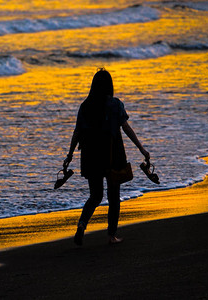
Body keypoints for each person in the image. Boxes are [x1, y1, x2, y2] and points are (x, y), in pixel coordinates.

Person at [63, 68, 150, 245]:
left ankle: (81, 225)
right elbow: (126, 128)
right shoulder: (115, 104)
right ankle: (111, 236)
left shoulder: (85, 106)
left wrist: (70, 155)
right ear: (110, 86)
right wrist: (141, 148)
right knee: (113, 196)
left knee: (95, 196)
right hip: (112, 154)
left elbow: (77, 132)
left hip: (90, 155)